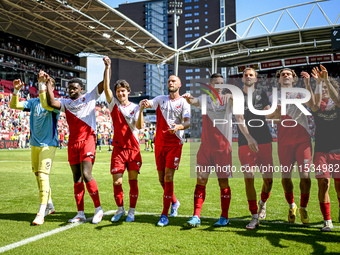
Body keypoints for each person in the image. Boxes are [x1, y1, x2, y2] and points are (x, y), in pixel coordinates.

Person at [44, 59, 106, 224]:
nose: (71, 90)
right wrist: (49, 85)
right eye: (69, 88)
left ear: (81, 89)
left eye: (74, 88)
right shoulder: (66, 103)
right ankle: (80, 213)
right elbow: (51, 102)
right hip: (72, 143)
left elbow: (104, 84)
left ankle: (99, 209)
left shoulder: (90, 96)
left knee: (86, 174)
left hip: (88, 140)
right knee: (76, 177)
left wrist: (107, 67)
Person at [182, 73, 232, 228]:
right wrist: (189, 97)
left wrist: (231, 95)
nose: (219, 86)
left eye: (222, 83)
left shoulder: (228, 100)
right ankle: (196, 216)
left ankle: (224, 217)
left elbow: (239, 99)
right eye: (216, 83)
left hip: (223, 149)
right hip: (205, 148)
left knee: (223, 182)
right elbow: (194, 101)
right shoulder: (205, 100)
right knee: (201, 180)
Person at [9, 71, 59, 225]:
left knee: (43, 175)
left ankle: (41, 211)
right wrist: (16, 90)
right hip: (35, 143)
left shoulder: (54, 103)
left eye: (46, 84)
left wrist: (42, 83)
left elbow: (45, 102)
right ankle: (49, 205)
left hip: (48, 143)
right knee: (38, 174)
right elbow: (14, 105)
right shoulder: (33, 102)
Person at [141, 75, 190, 227]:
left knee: (168, 176)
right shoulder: (160, 99)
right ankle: (174, 202)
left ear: (179, 84)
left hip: (175, 143)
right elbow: (149, 103)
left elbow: (188, 122)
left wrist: (178, 127)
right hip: (160, 144)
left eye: (174, 81)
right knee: (162, 179)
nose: (171, 83)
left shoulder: (184, 102)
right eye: (169, 81)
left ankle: (164, 214)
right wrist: (144, 103)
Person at [102, 57, 142, 223]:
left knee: (133, 181)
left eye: (123, 91)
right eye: (118, 91)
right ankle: (120, 209)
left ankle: (131, 211)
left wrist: (142, 111)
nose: (120, 93)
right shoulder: (114, 106)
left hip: (133, 149)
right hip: (118, 149)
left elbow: (139, 126)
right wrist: (108, 68)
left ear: (128, 92)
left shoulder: (136, 107)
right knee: (117, 182)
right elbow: (106, 88)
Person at [270, 68, 312, 224]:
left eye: (289, 74)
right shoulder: (274, 97)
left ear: (294, 79)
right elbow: (273, 120)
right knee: (285, 177)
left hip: (303, 140)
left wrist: (308, 84)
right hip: (284, 141)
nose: (285, 76)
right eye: (282, 75)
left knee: (305, 177)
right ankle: (291, 205)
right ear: (279, 80)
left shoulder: (301, 92)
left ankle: (303, 208)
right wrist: (275, 113)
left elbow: (312, 104)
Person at [235, 68, 274, 229]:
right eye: (246, 75)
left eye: (251, 75)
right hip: (245, 142)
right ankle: (254, 216)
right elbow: (239, 117)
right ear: (243, 79)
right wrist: (249, 137)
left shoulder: (262, 94)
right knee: (249, 177)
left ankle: (262, 202)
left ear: (256, 79)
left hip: (264, 140)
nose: (248, 77)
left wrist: (274, 110)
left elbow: (268, 114)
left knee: (269, 180)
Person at [303, 65, 340, 231]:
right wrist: (311, 85)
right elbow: (313, 104)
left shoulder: (338, 102)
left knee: (339, 188)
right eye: (322, 88)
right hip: (321, 150)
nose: (324, 90)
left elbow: (337, 100)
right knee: (323, 183)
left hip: (338, 150)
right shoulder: (318, 106)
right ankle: (327, 220)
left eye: (326, 87)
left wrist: (325, 81)